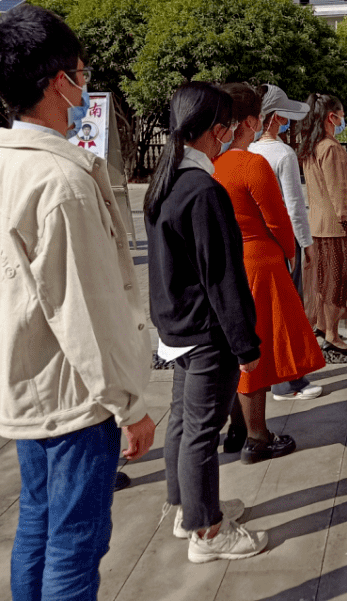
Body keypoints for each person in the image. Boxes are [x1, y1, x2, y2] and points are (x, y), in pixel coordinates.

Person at [0, 5, 155, 600]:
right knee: (76, 542)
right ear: (57, 82)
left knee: (39, 527)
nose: (84, 80)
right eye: (80, 70)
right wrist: (130, 404)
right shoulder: (61, 182)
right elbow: (89, 313)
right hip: (74, 394)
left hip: (23, 383)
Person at [144, 82, 268, 564]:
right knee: (201, 431)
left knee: (183, 422)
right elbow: (222, 278)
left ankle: (189, 509)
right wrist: (245, 343)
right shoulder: (202, 190)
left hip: (177, 326)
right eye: (229, 129)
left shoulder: (166, 182)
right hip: (205, 332)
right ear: (219, 131)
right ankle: (208, 532)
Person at [215, 83, 326, 461]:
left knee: (231, 347)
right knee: (254, 350)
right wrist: (291, 254)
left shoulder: (207, 163)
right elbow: (279, 220)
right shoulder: (251, 163)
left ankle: (237, 429)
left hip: (221, 261)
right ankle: (257, 436)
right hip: (257, 260)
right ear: (251, 121)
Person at [247, 83, 322, 400]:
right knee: (290, 310)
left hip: (255, 243)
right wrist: (306, 244)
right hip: (284, 240)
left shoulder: (247, 152)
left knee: (264, 314)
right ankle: (288, 381)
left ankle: (275, 377)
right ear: (276, 117)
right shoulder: (283, 154)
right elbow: (294, 205)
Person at [298, 93, 347, 352]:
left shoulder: (312, 145)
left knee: (325, 281)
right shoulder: (329, 148)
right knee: (336, 283)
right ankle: (331, 333)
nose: (344, 119)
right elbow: (338, 192)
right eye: (341, 115)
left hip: (319, 225)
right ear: (332, 117)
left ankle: (323, 327)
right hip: (335, 228)